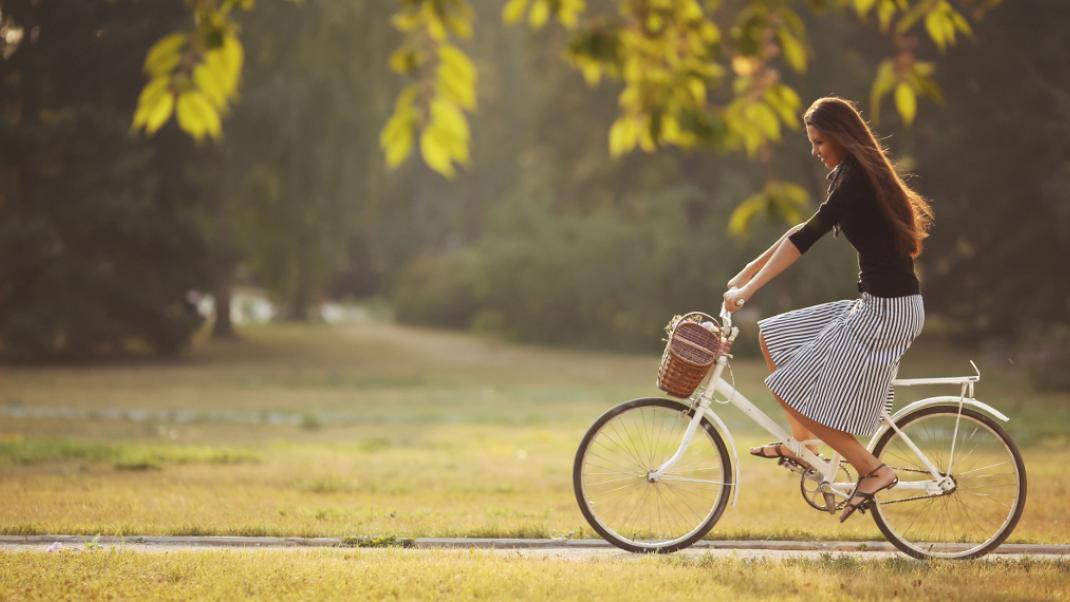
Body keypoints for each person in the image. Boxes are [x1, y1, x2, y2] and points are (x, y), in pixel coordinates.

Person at [721, 96, 934, 523]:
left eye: (819, 141)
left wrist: (748, 290)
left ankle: (872, 470)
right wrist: (749, 268)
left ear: (838, 137)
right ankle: (803, 444)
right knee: (773, 334)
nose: (815, 151)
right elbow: (802, 229)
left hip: (887, 314)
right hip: (879, 304)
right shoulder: (850, 175)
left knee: (786, 386)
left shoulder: (856, 179)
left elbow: (806, 239)